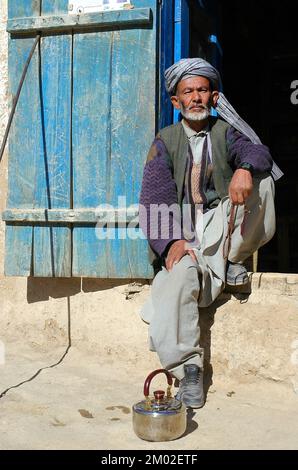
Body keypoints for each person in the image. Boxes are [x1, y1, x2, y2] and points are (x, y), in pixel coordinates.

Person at [138, 58, 282, 409]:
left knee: (263, 183)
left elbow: (257, 152)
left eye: (203, 90)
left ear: (214, 96)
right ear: (177, 102)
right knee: (181, 275)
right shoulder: (165, 140)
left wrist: (244, 168)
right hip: (184, 233)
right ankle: (188, 368)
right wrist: (171, 242)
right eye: (188, 92)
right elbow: (154, 195)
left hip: (222, 227)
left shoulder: (225, 132)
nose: (196, 97)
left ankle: (232, 260)